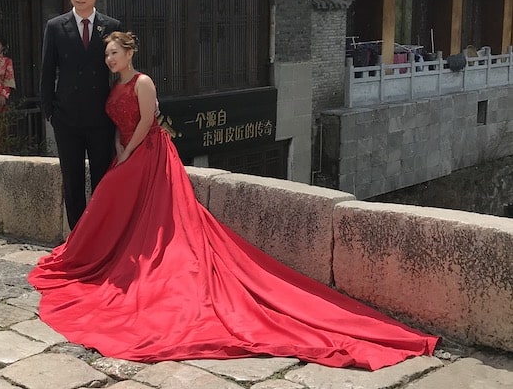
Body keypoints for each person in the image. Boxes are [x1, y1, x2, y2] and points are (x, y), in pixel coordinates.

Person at [29, 31, 439, 370]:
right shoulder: (114, 83)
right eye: (107, 55)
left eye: (114, 53)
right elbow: (119, 123)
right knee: (113, 206)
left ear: (130, 52)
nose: (109, 59)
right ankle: (93, 258)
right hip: (127, 152)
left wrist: (127, 154)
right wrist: (120, 148)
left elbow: (148, 124)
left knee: (149, 217)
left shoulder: (143, 82)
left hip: (149, 155)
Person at [40, 0, 121, 229]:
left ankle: (99, 235)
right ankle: (77, 238)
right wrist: (50, 112)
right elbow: (46, 71)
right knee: (72, 180)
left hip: (101, 118)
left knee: (103, 180)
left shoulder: (111, 27)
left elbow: (120, 71)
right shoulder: (55, 26)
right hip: (66, 118)